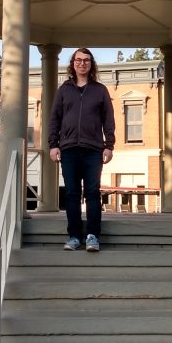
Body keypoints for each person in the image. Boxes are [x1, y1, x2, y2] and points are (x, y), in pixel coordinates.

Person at [48, 48, 115, 252]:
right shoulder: (64, 90)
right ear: (73, 63)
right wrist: (53, 145)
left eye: (86, 60)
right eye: (79, 60)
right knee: (72, 194)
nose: (82, 63)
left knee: (93, 193)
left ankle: (93, 236)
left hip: (94, 150)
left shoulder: (100, 90)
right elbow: (54, 119)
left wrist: (109, 146)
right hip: (68, 149)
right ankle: (75, 236)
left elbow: (108, 120)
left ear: (91, 64)